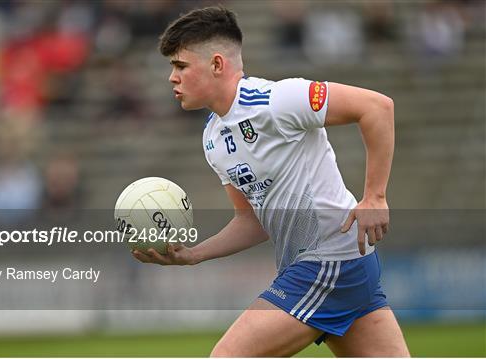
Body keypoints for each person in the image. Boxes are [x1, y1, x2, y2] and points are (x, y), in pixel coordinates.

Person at [131, 6, 410, 357]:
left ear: (217, 64)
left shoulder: (277, 100)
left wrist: (375, 196)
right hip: (337, 266)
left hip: (329, 262)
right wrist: (194, 255)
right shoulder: (213, 138)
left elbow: (377, 107)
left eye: (181, 66)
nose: (172, 77)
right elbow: (251, 221)